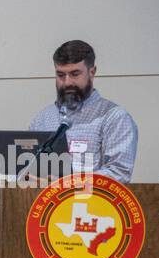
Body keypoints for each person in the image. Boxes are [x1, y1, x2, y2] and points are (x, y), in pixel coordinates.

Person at [29, 39, 138, 183]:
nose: (67, 82)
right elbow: (30, 166)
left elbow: (119, 173)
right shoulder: (43, 118)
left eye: (75, 74)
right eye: (61, 75)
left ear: (92, 72)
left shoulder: (114, 117)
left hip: (92, 203)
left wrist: (67, 183)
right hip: (44, 203)